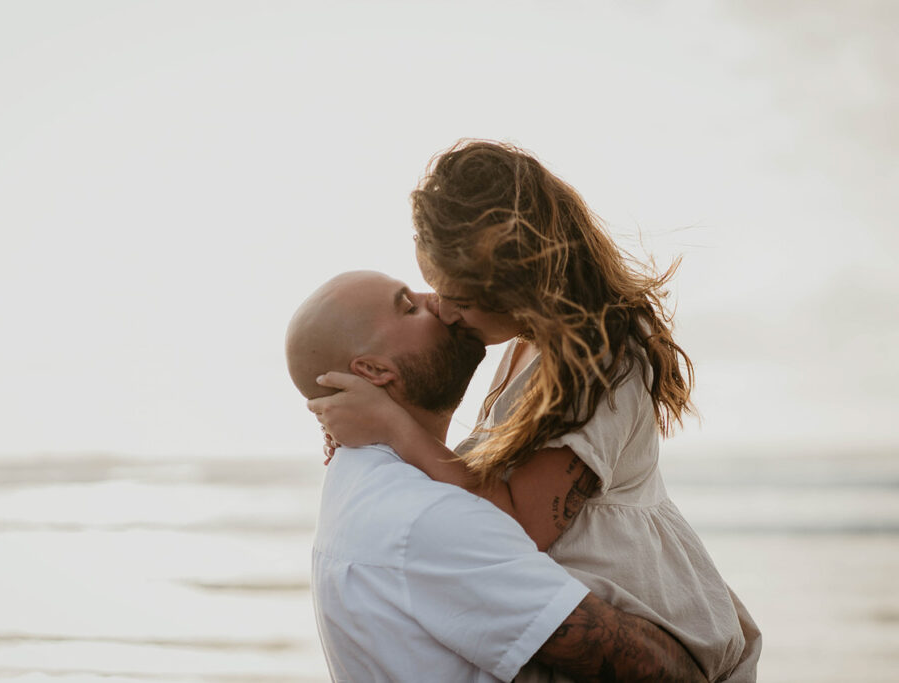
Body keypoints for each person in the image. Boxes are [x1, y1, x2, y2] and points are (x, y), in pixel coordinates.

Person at [308, 141, 761, 682]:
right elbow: (493, 482)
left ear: (519, 284)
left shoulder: (599, 354)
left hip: (645, 609)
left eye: (460, 298)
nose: (445, 311)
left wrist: (396, 428)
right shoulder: (530, 345)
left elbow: (515, 522)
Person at [286, 270, 704, 682]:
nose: (437, 300)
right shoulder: (428, 517)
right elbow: (660, 672)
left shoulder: (362, 480)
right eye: (409, 307)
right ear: (374, 371)